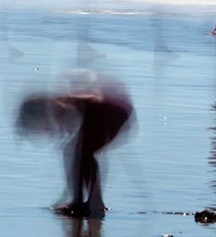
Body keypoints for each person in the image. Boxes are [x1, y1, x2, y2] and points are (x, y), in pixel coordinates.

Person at [16, 79, 134, 218]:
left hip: (109, 113)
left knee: (82, 153)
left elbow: (78, 116)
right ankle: (88, 201)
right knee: (79, 152)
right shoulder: (57, 105)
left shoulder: (58, 105)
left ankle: (88, 202)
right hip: (112, 111)